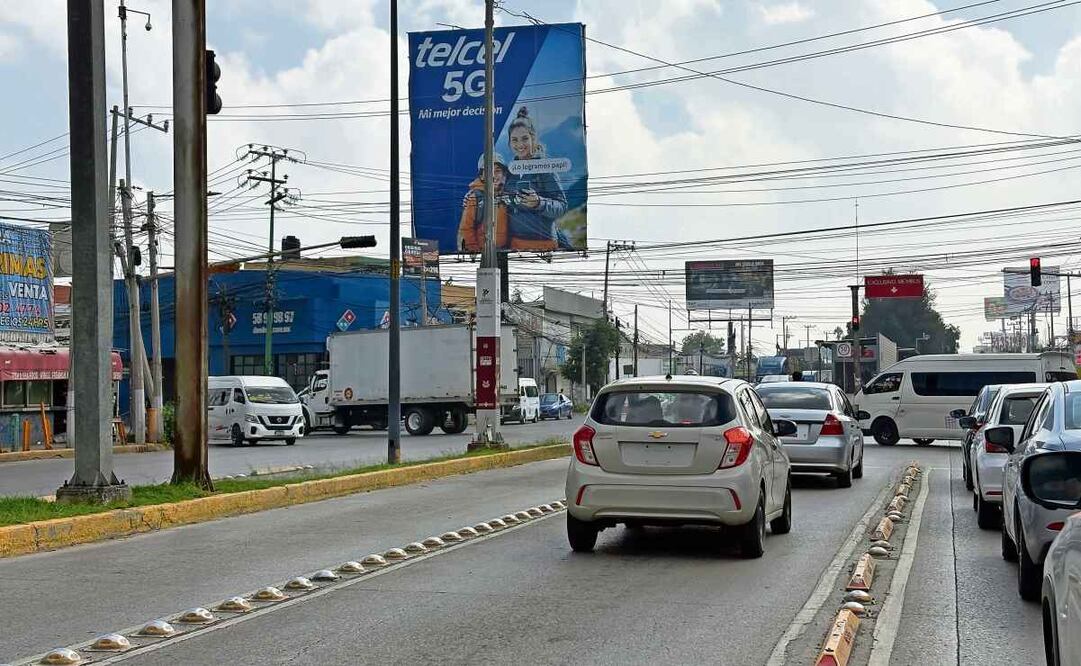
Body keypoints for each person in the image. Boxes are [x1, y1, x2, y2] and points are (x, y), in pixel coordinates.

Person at [505, 106, 568, 251]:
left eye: (525, 139)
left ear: (533, 139)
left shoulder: (544, 167)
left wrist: (539, 202)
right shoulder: (510, 171)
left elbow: (562, 206)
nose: (520, 144)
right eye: (514, 140)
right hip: (514, 245)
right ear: (509, 143)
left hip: (543, 244)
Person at [457, 153, 511, 253]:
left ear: (504, 174)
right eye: (488, 171)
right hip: (483, 254)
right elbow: (466, 230)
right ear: (482, 176)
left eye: (497, 171)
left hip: (506, 253)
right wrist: (476, 254)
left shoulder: (508, 195)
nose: (493, 175)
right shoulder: (475, 197)